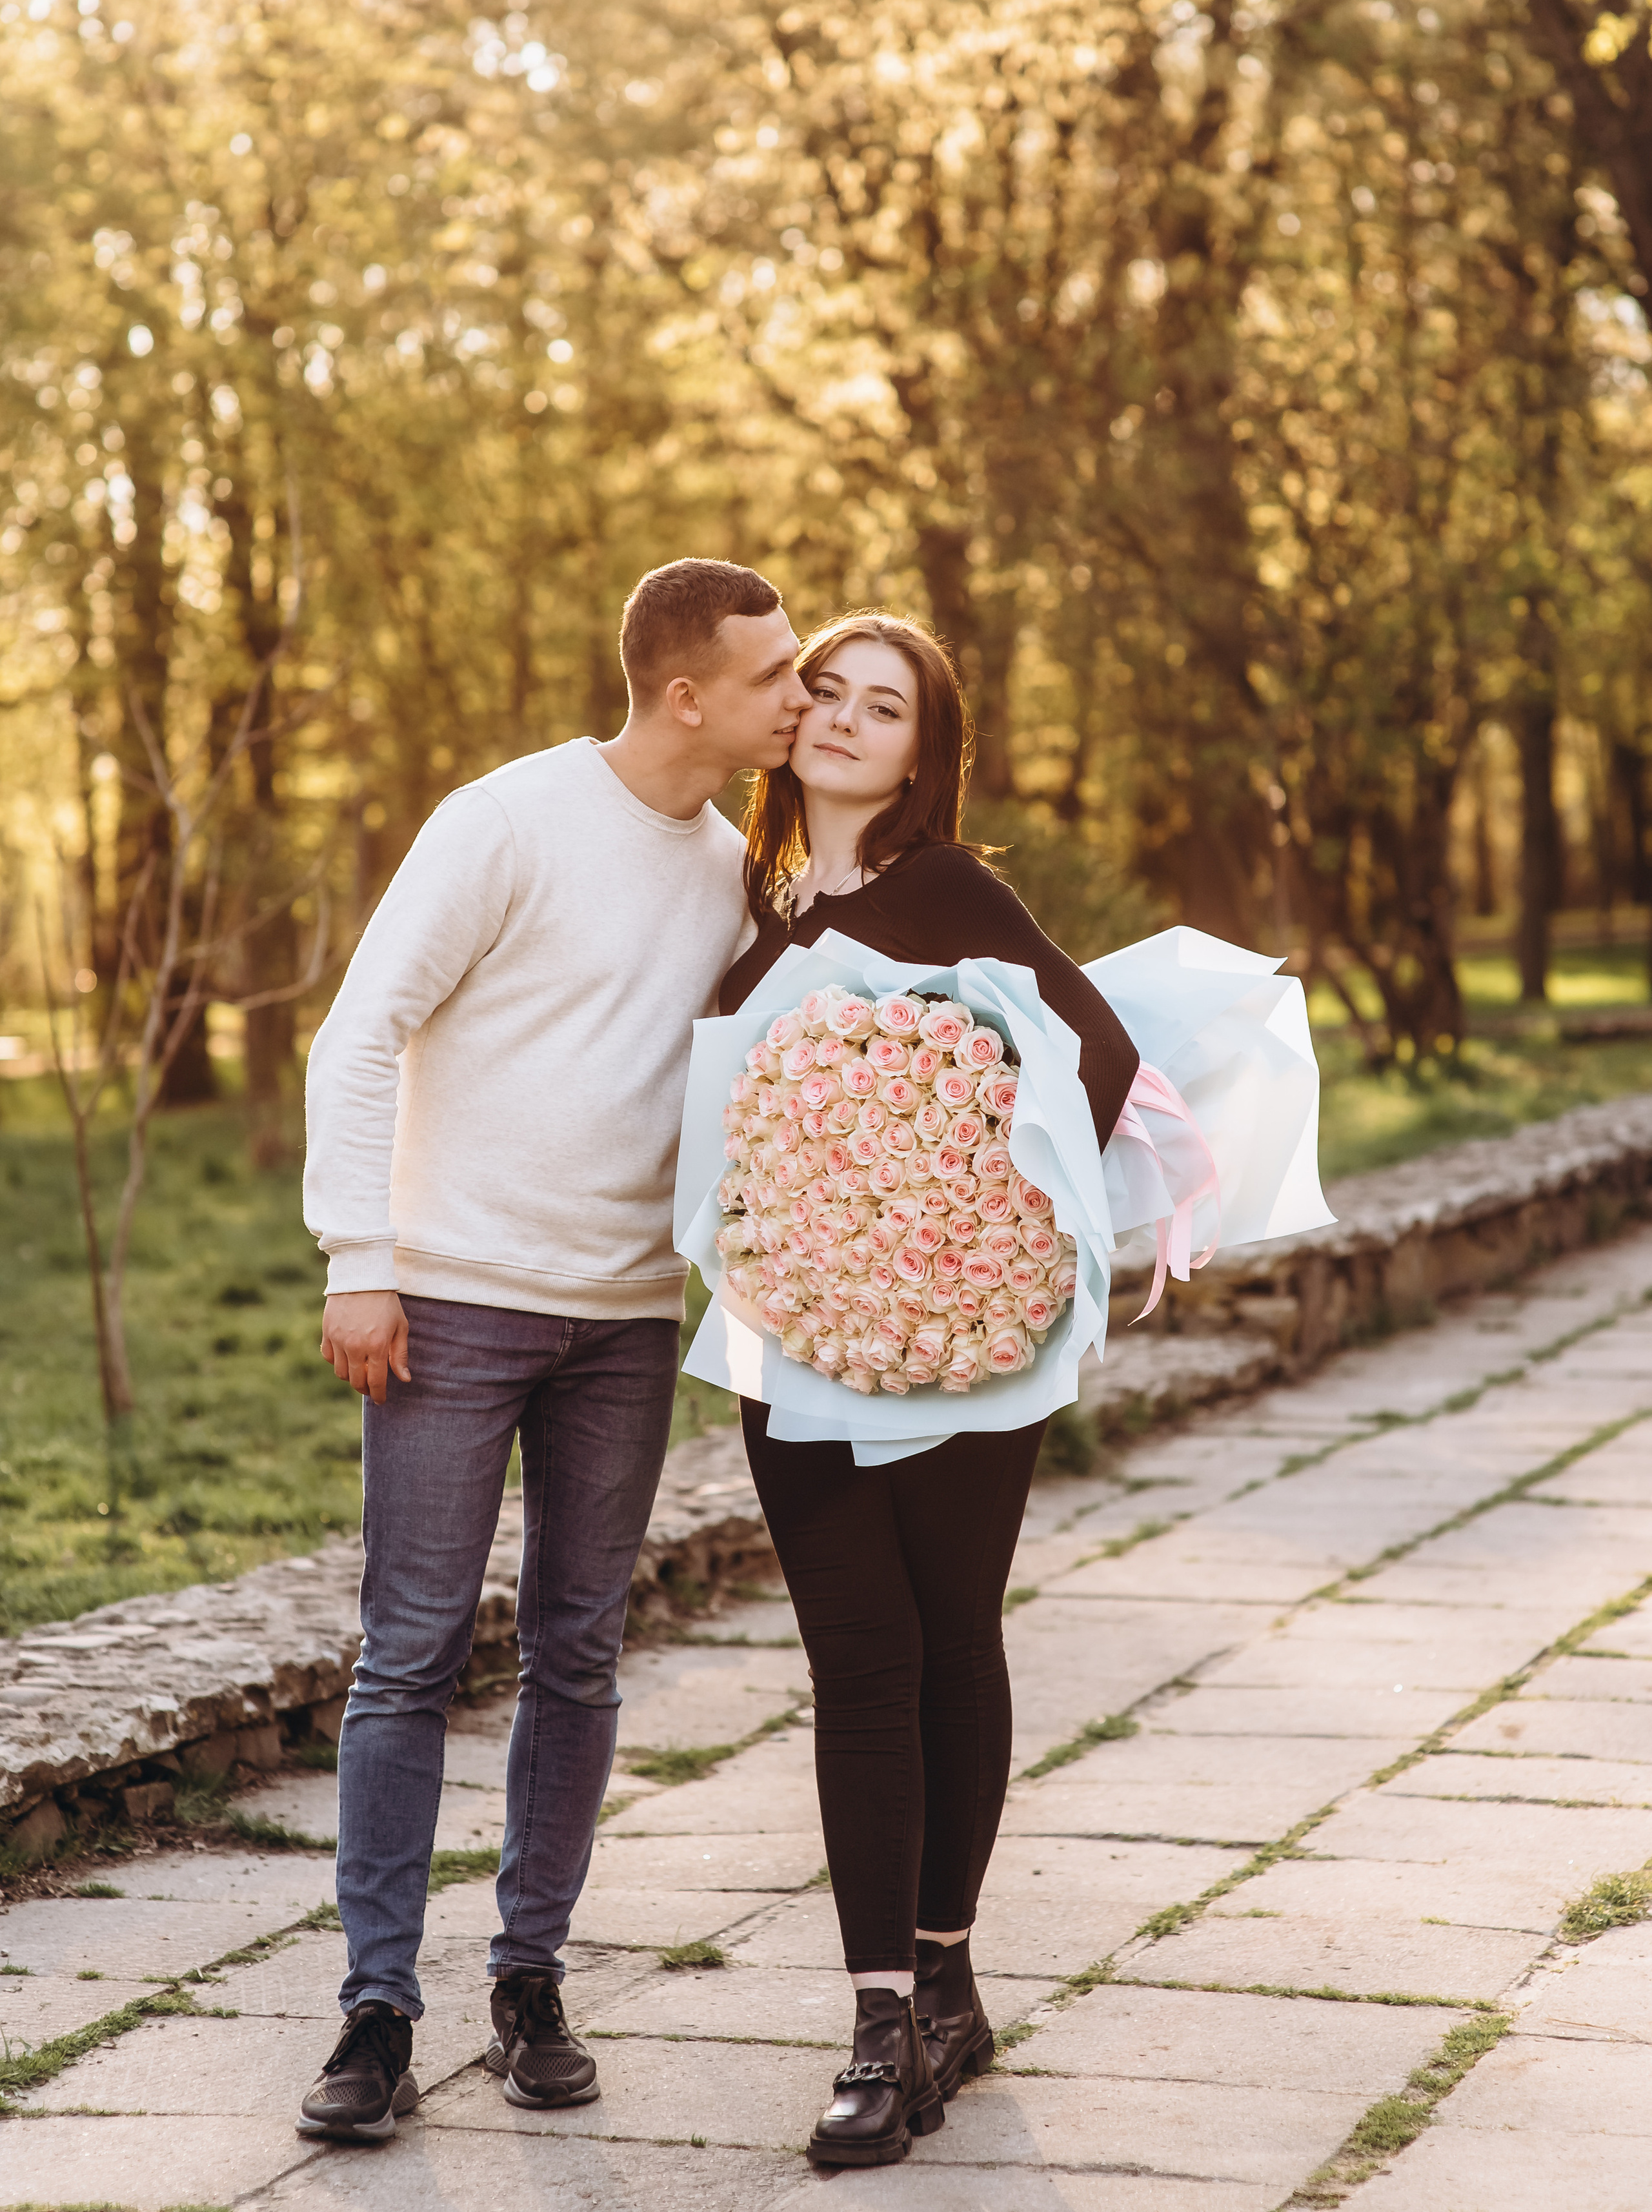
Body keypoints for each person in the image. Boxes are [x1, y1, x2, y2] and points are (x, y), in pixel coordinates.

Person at [295, 558, 809, 2146]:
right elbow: (362, 1025)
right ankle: (377, 2011)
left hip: (621, 1325)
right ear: (685, 694)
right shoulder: (502, 821)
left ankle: (530, 1983)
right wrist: (361, 1261)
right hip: (447, 1298)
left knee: (579, 1652)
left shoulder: (733, 870)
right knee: (411, 1654)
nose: (799, 695)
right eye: (775, 673)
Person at [718, 611, 1140, 2171]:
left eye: (878, 705)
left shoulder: (949, 890)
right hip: (797, 1349)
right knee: (856, 1659)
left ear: (920, 749)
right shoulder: (749, 910)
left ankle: (946, 1975)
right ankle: (877, 2021)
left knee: (951, 1640)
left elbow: (1093, 1054)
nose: (838, 717)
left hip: (964, 1338)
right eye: (821, 689)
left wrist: (977, 1237)